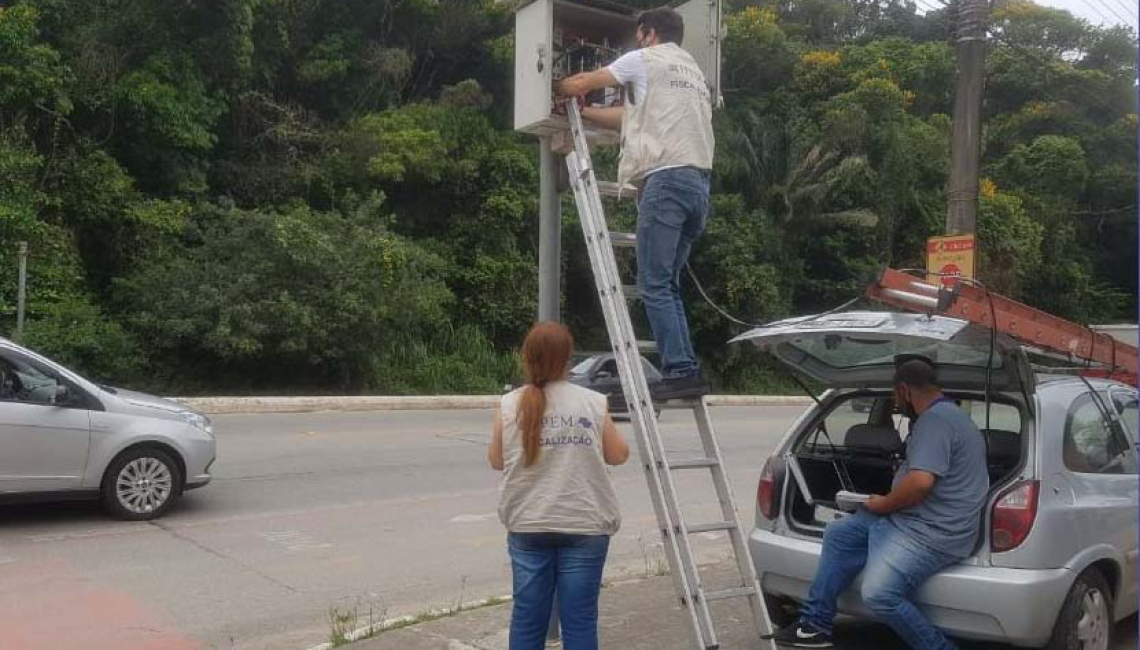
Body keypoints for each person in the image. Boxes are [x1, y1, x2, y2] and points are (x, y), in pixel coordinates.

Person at [765, 359, 989, 649]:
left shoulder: (937, 421)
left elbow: (921, 483)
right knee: (840, 533)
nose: (895, 403)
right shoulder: (945, 417)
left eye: (895, 396)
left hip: (934, 533)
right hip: (909, 518)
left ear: (905, 390)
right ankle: (815, 624)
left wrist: (884, 504)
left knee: (878, 594)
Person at [556, 7, 715, 400]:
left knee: (653, 284)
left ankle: (679, 368)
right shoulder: (693, 73)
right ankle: (686, 369)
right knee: (667, 284)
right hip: (698, 186)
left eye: (638, 34)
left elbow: (582, 82)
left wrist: (559, 88)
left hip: (665, 182)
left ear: (647, 33)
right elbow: (630, 116)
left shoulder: (642, 58)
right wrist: (586, 111)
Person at [488, 321, 630, 650]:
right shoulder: (593, 402)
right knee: (579, 619)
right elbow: (619, 454)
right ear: (567, 359)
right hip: (584, 523)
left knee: (526, 617)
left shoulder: (509, 404)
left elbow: (497, 460)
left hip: (528, 523)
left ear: (527, 357)